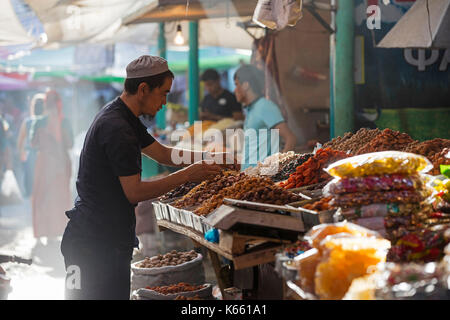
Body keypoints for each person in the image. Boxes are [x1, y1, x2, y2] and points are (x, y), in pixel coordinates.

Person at [60, 55, 237, 300]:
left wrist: (210, 158)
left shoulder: (124, 117)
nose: (165, 102)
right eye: (163, 93)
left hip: (108, 239)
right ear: (143, 89)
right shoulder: (117, 128)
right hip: (92, 244)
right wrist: (187, 175)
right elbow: (135, 192)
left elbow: (163, 154)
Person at [30, 90, 73, 245]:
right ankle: (52, 232)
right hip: (56, 164)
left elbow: (33, 143)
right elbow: (70, 144)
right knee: (54, 197)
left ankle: (47, 232)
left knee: (46, 197)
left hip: (49, 164)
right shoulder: (62, 121)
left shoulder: (42, 121)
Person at [233, 64, 297, 171]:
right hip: (250, 178)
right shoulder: (251, 109)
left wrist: (278, 168)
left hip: (263, 178)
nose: (234, 90)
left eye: (236, 84)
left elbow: (290, 138)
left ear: (246, 85)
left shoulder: (265, 107)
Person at [17, 94, 45, 198]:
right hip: (44, 155)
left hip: (31, 156)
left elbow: (20, 142)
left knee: (32, 184)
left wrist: (22, 153)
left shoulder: (27, 122)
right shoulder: (48, 121)